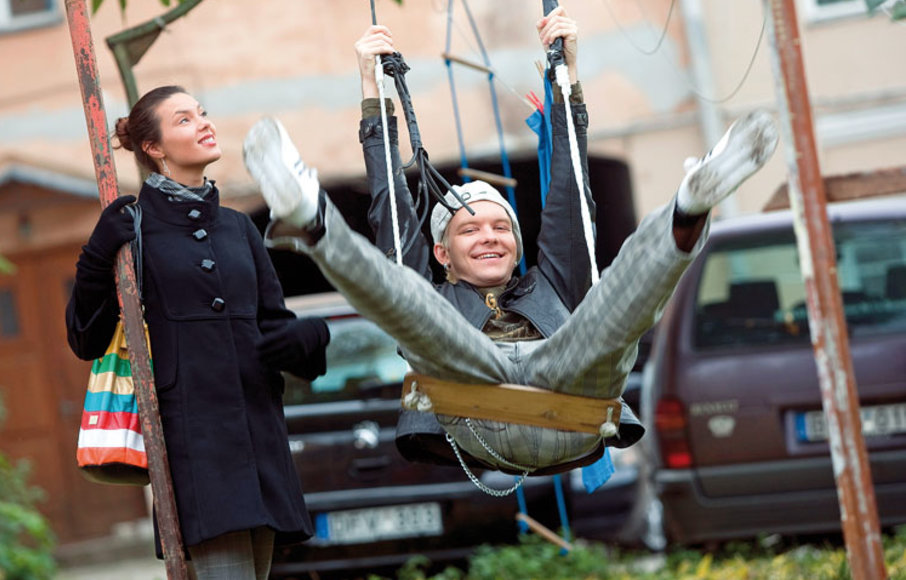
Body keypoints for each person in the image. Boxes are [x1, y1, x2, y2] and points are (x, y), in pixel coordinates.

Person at [244, 7, 778, 477]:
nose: (490, 236)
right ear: (441, 254)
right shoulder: (436, 294)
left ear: (519, 246)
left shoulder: (552, 285)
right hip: (476, 401)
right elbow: (392, 212)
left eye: (501, 227)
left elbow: (571, 192)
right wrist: (371, 90)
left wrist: (567, 76)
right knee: (406, 301)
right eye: (469, 230)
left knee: (615, 305)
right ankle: (312, 218)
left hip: (572, 393)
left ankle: (689, 204)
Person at [65, 85, 330, 579]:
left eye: (202, 113)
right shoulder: (131, 231)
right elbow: (85, 337)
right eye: (184, 120)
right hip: (195, 456)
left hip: (262, 445)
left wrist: (309, 340)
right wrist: (98, 255)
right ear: (154, 147)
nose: (204, 123)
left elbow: (276, 328)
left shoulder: (238, 229)